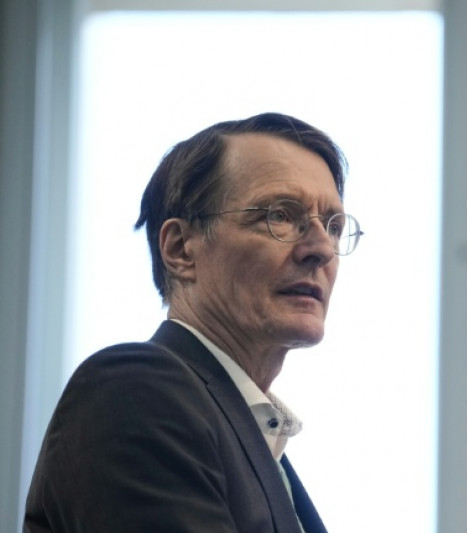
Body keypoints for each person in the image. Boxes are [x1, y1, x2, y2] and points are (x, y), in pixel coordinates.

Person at [23, 112, 361, 533]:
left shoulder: (254, 438)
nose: (322, 249)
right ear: (181, 249)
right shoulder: (136, 392)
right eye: (279, 215)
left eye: (333, 227)